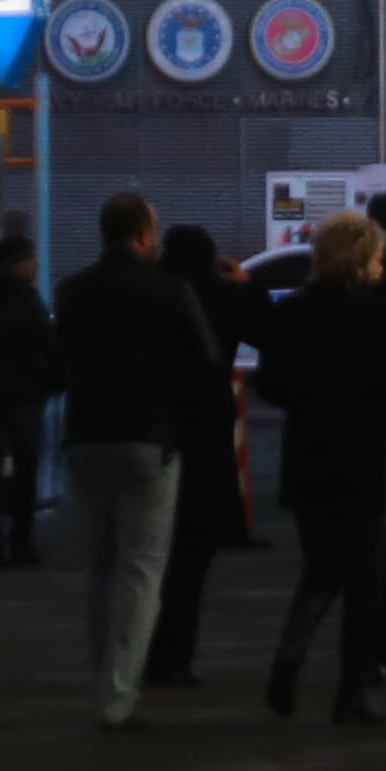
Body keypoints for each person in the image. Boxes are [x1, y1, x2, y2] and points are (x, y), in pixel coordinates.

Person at [55, 192, 214, 728]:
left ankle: (101, 678)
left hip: (86, 440)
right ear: (144, 234)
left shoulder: (73, 291)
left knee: (100, 566)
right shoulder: (170, 290)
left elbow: (58, 361)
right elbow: (206, 360)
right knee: (142, 570)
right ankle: (119, 696)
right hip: (151, 440)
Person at [260, 215, 386, 720]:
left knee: (322, 565)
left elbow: (269, 382)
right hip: (362, 455)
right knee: (366, 575)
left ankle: (290, 652)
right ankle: (351, 691)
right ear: (365, 259)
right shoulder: (382, 317)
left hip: (307, 453)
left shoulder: (294, 312)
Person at [143, 224, 254, 687]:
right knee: (192, 556)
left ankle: (139, 654)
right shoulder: (221, 296)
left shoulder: (155, 293)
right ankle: (177, 657)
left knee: (147, 554)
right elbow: (269, 334)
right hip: (206, 434)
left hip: (155, 428)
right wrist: (248, 287)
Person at [0, 235, 59, 568]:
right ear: (19, 264)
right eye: (31, 260)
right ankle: (21, 542)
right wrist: (53, 383)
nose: (35, 266)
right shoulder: (29, 303)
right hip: (24, 396)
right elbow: (50, 346)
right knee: (25, 470)